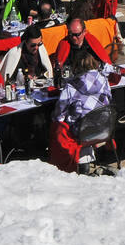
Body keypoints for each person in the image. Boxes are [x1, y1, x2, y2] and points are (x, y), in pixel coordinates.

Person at [48, 46, 115, 174]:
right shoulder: (104, 80)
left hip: (83, 132)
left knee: (60, 125)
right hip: (104, 128)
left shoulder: (71, 86)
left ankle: (65, 165)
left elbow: (59, 113)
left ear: (75, 67)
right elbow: (109, 100)